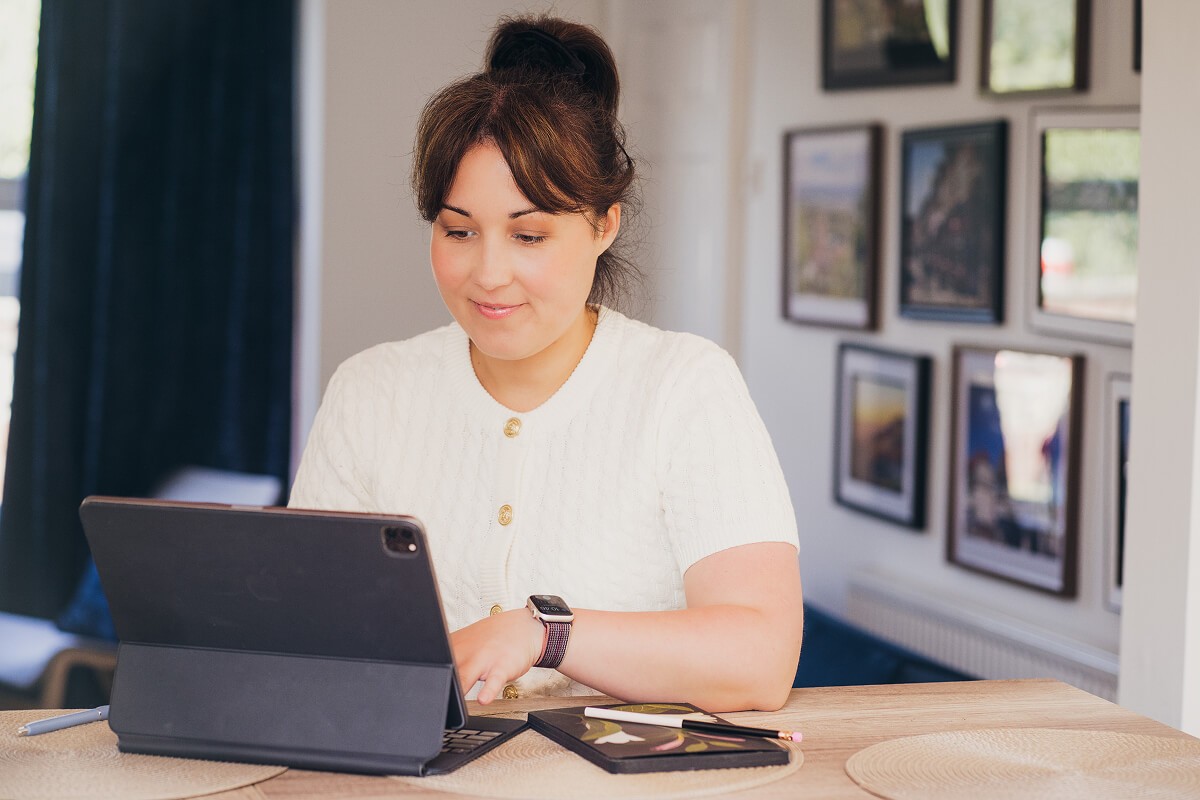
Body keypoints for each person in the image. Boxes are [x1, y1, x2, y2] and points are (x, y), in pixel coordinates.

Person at [289, 14, 803, 713]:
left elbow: (761, 659)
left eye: (528, 235)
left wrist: (545, 635)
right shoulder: (369, 393)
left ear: (604, 224)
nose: (488, 274)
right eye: (458, 230)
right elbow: (305, 639)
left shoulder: (684, 387)